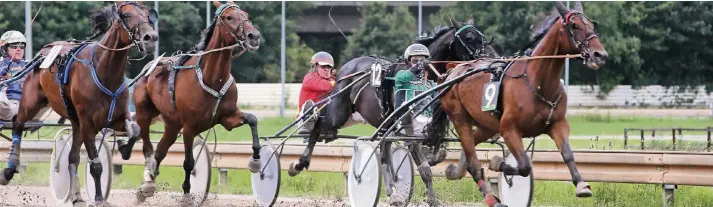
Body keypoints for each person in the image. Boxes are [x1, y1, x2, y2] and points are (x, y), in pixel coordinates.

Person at [0, 31, 49, 122]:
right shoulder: (1, 63)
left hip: (28, 107)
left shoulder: (30, 64)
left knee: (49, 96)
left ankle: (30, 119)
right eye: (14, 46)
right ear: (4, 49)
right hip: (7, 105)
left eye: (22, 46)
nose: (19, 49)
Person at [392, 43, 435, 135]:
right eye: (415, 61)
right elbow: (408, 75)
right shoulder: (401, 76)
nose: (419, 63)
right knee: (405, 105)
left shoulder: (430, 84)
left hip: (427, 121)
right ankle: (410, 135)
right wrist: (419, 66)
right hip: (405, 123)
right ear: (408, 62)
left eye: (422, 61)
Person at [297, 51, 336, 134]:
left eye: (329, 67)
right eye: (323, 67)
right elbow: (326, 86)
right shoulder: (309, 78)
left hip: (322, 117)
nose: (326, 69)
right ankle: (306, 126)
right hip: (304, 119)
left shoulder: (331, 80)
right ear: (315, 67)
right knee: (311, 105)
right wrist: (341, 81)